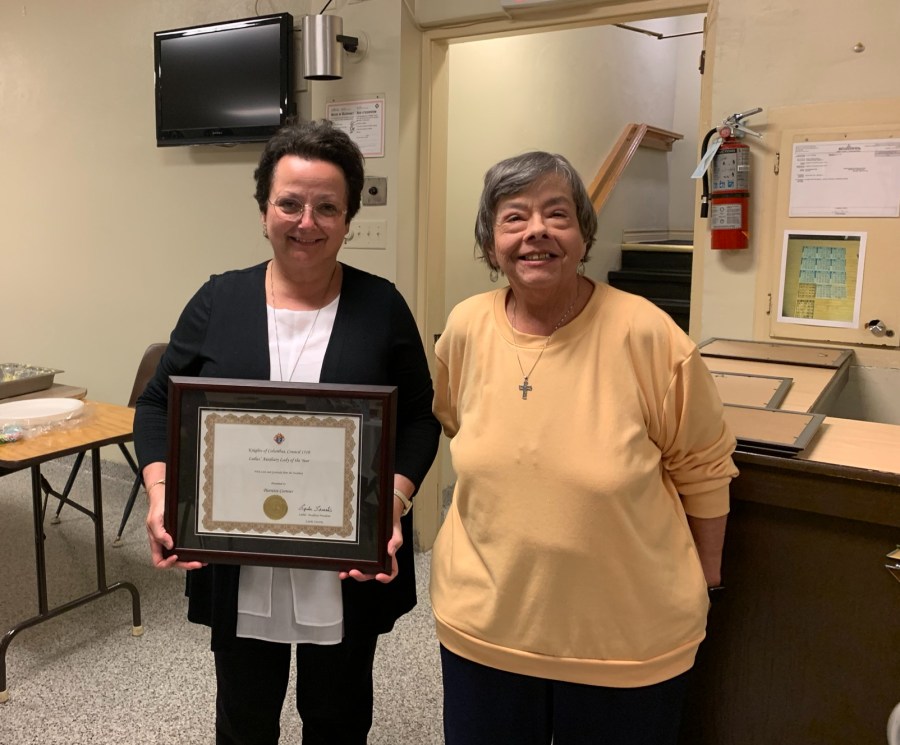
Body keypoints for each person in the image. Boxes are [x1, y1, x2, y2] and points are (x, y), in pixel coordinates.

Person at [134, 119, 440, 745]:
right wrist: (162, 494)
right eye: (289, 203)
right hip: (238, 554)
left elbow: (418, 416)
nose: (307, 222)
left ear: (348, 219)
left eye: (327, 207)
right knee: (244, 717)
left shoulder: (381, 306)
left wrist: (393, 503)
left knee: (338, 716)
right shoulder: (219, 300)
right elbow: (159, 402)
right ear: (263, 211)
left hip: (345, 560)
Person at [430, 150, 739, 745]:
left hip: (625, 643)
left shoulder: (648, 334)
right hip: (484, 628)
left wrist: (705, 580)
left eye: (557, 214)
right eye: (514, 217)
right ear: (490, 242)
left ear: (583, 235)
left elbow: (704, 468)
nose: (536, 231)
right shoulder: (466, 327)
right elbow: (456, 424)